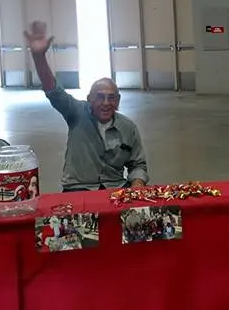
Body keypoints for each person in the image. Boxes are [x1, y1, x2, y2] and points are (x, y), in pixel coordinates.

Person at [25, 21, 149, 191]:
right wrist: (39, 57)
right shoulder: (76, 112)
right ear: (89, 99)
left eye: (111, 98)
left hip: (115, 187)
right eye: (100, 97)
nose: (106, 103)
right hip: (79, 188)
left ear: (118, 101)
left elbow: (138, 164)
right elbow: (53, 89)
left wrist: (137, 184)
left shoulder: (128, 128)